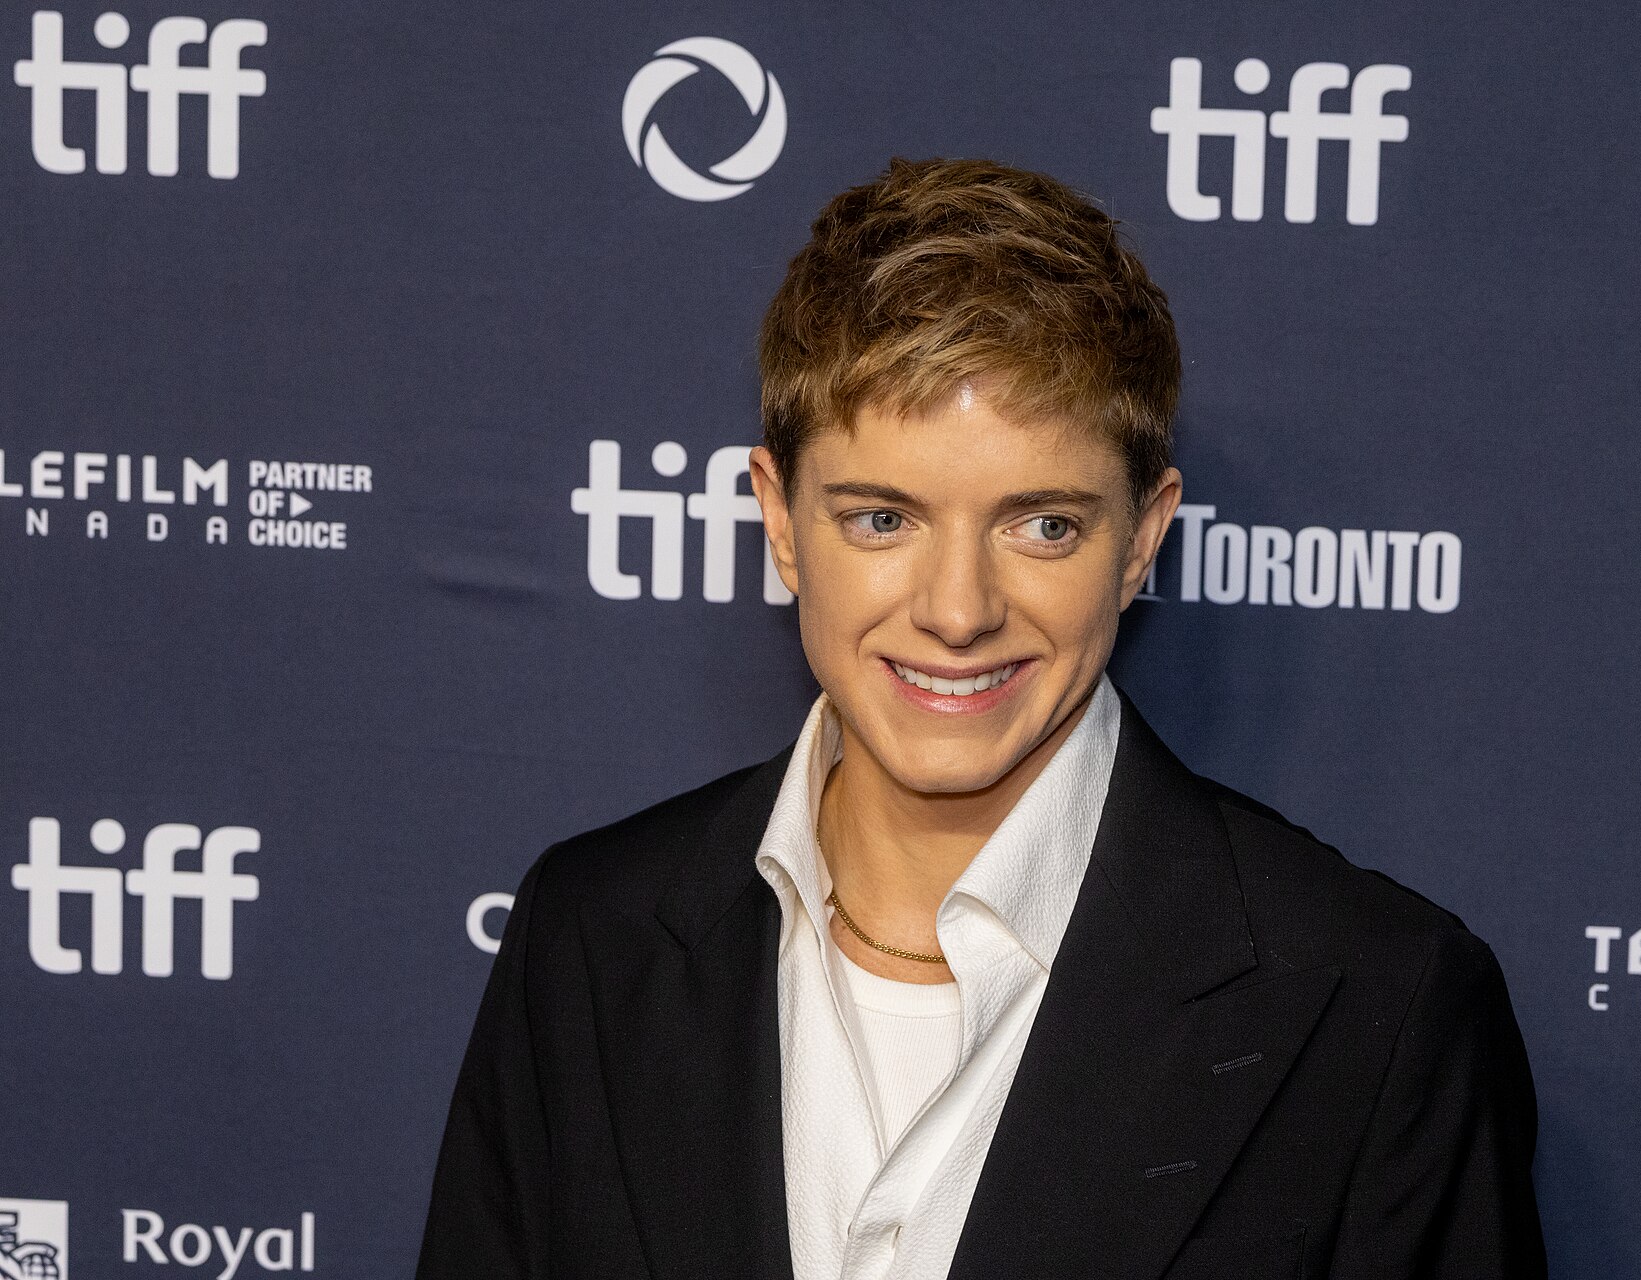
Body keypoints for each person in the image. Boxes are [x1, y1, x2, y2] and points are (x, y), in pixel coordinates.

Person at [417, 156, 1547, 1280]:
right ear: (778, 518)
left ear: (1143, 538)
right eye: (881, 520)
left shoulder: (1377, 1003)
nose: (958, 611)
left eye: (1042, 525)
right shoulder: (588, 934)